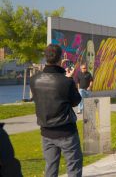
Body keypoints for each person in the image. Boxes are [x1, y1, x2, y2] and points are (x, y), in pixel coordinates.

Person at [30, 44, 83, 176]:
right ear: (60, 59)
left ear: (45, 58)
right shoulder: (66, 81)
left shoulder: (34, 80)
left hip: (46, 132)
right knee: (73, 166)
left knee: (51, 168)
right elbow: (76, 101)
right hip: (66, 132)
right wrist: (69, 78)